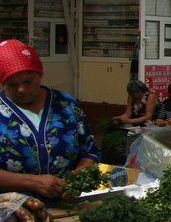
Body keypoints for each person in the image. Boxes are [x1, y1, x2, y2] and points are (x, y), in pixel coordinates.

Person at [0, 40, 99, 199]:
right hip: (14, 211)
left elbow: (89, 151)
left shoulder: (66, 104)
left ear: (39, 74)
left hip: (68, 204)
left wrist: (76, 179)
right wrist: (32, 182)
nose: (22, 89)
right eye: (12, 85)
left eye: (28, 81)